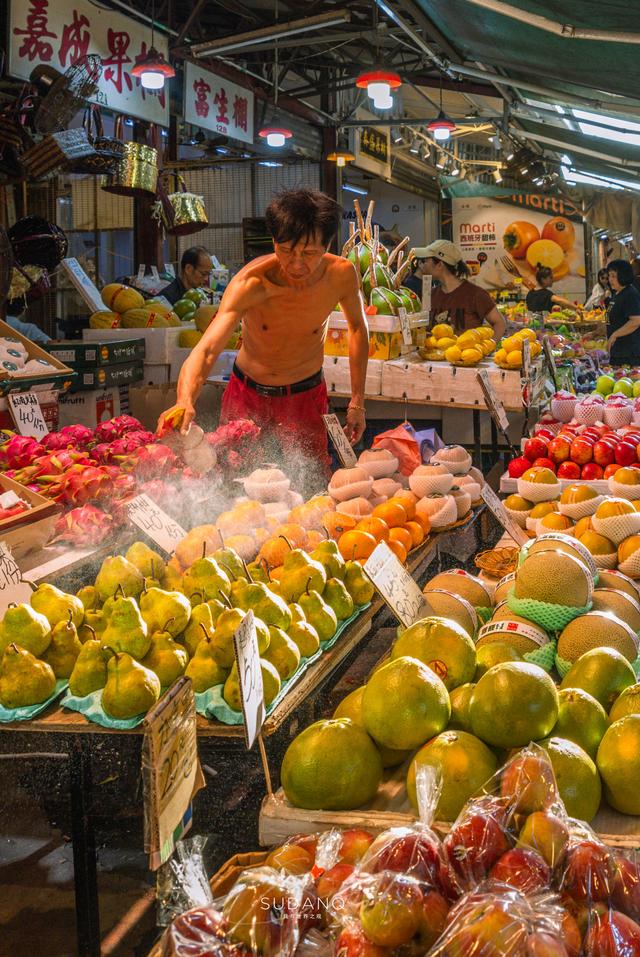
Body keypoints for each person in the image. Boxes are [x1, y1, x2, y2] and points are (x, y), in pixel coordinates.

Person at [158, 188, 369, 469]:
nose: (295, 264)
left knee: (313, 481)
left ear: (328, 246)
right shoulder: (251, 284)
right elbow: (207, 350)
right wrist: (184, 399)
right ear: (273, 241)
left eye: (308, 253)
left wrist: (357, 400)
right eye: (285, 250)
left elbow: (357, 328)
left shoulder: (341, 275)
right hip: (247, 397)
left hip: (305, 398)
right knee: (234, 479)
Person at [606, 258, 640, 365]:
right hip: (618, 351)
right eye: (609, 276)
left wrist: (615, 334)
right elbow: (615, 319)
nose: (610, 279)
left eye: (613, 276)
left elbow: (636, 320)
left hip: (628, 353)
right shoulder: (617, 293)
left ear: (623, 275)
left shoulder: (630, 294)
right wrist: (596, 332)